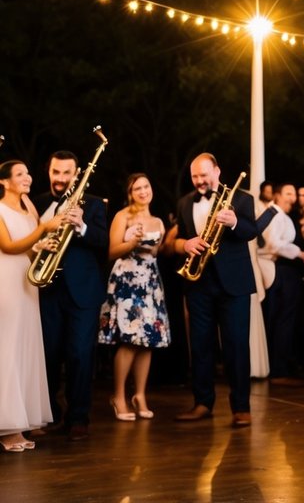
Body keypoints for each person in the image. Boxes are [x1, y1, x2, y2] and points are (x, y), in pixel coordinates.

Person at [170, 153, 258, 426]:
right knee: (200, 346)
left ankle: (241, 407)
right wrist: (184, 244)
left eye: (204, 175)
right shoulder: (185, 202)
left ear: (217, 171)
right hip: (198, 284)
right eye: (195, 176)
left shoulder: (242, 198)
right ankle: (202, 403)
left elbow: (251, 231)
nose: (199, 181)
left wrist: (233, 222)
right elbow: (181, 237)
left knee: (236, 347)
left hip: (234, 284)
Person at [34, 147, 108, 441]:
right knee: (48, 354)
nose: (60, 178)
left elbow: (103, 242)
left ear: (76, 174)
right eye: (56, 172)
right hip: (47, 289)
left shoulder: (92, 204)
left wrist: (82, 225)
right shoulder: (37, 203)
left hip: (83, 292)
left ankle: (78, 417)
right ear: (48, 172)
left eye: (66, 173)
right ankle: (48, 411)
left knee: (79, 354)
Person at [0, 159, 62, 452]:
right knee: (8, 347)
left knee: (26, 346)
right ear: (4, 181)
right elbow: (8, 246)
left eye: (27, 172)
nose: (27, 177)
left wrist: (42, 244)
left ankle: (21, 423)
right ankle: (7, 427)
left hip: (27, 281)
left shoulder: (29, 207)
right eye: (20, 174)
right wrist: (43, 230)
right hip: (6, 280)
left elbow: (28, 243)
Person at [98, 173, 170, 420]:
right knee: (129, 339)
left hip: (150, 281)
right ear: (130, 193)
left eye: (146, 186)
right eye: (136, 188)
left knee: (147, 341)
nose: (142, 191)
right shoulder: (122, 216)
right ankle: (118, 396)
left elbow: (157, 253)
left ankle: (139, 394)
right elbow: (109, 251)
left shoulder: (158, 221)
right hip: (127, 280)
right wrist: (131, 242)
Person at [258, 182, 304, 386]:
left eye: (293, 194)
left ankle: (281, 367)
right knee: (283, 321)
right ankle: (279, 370)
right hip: (282, 272)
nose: (293, 198)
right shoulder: (277, 215)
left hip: (279, 272)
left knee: (281, 320)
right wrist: (302, 253)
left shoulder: (277, 215)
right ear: (278, 196)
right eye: (288, 193)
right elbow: (274, 245)